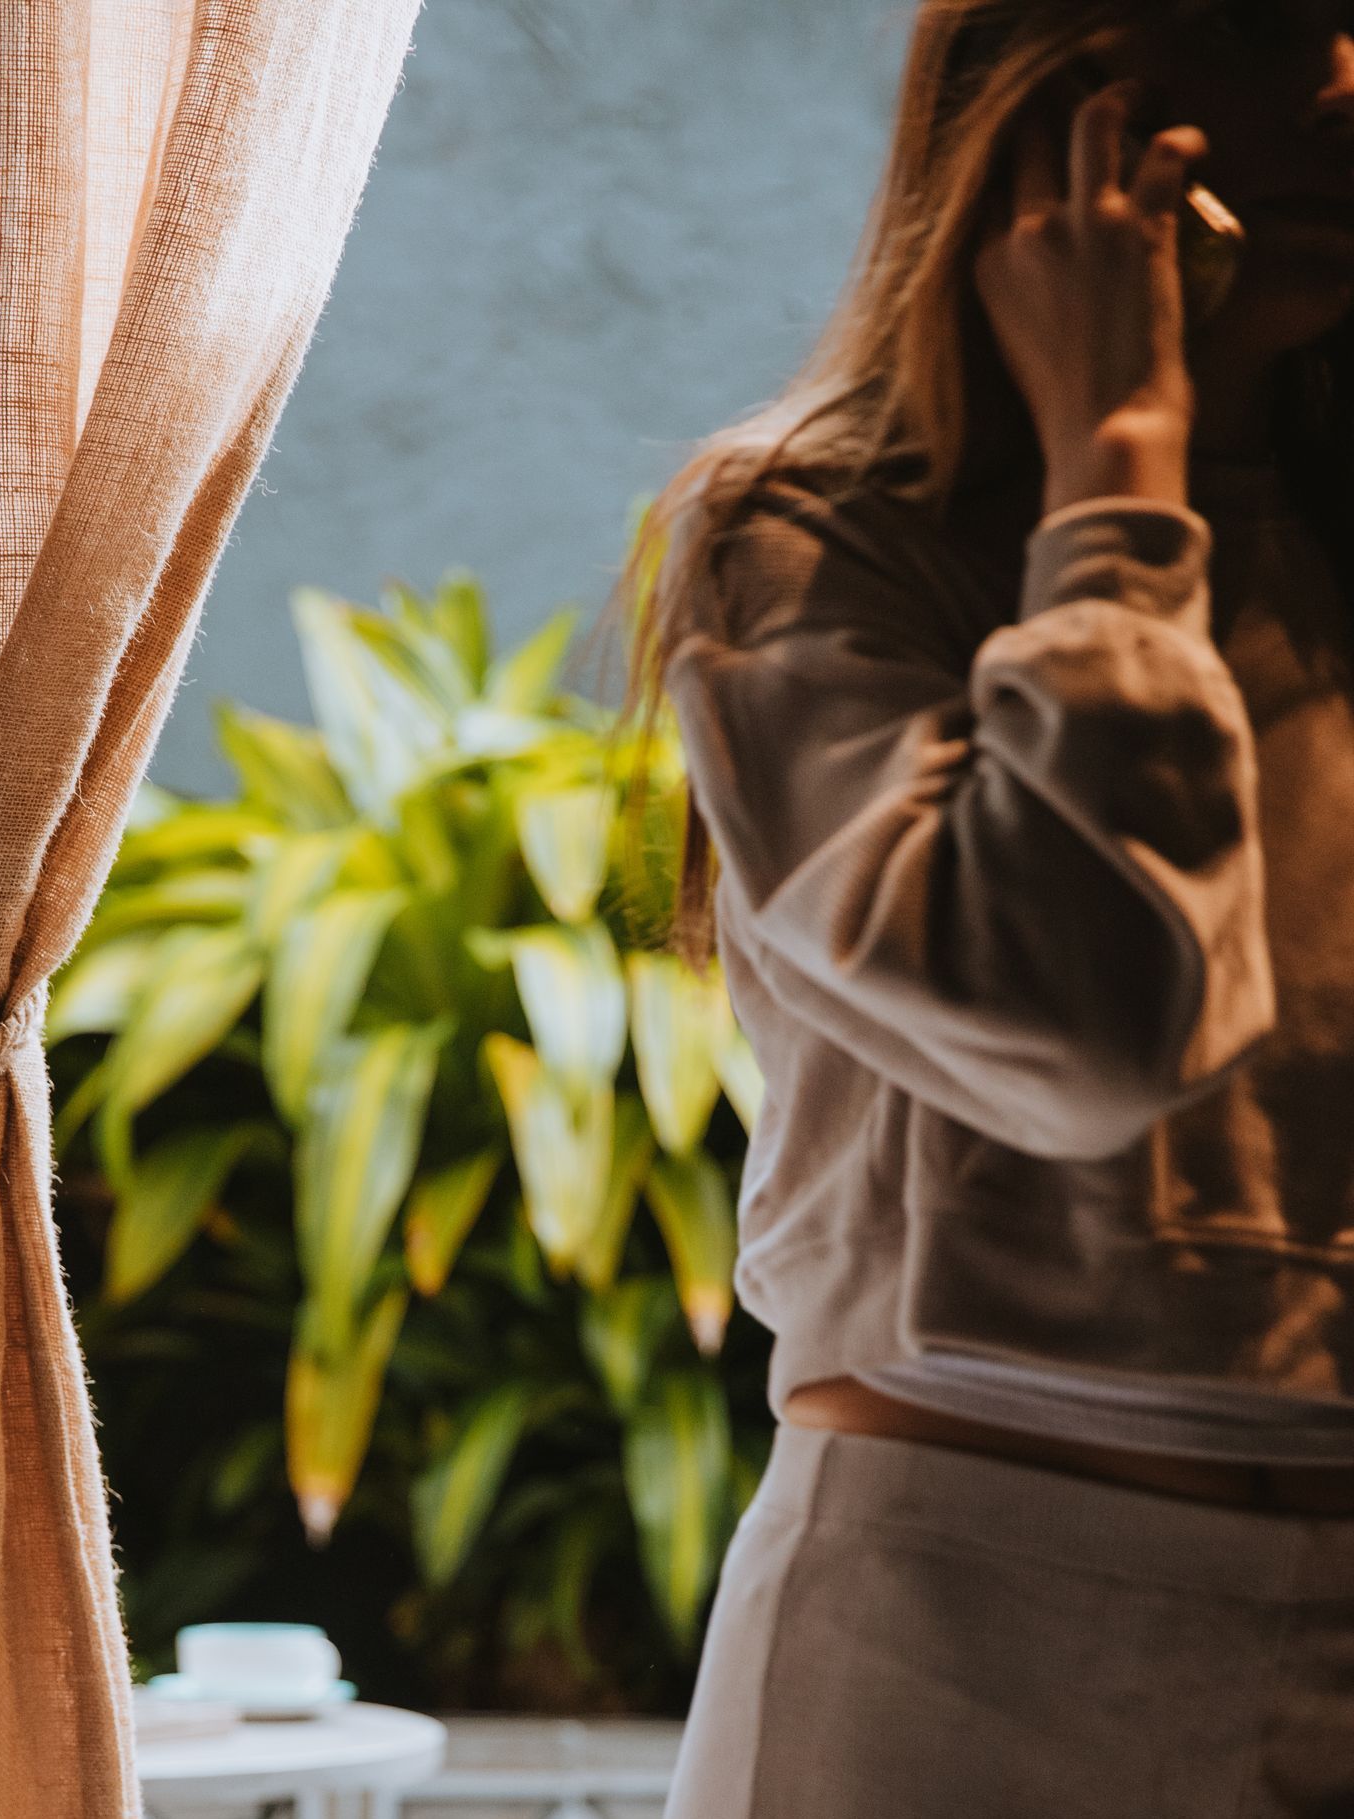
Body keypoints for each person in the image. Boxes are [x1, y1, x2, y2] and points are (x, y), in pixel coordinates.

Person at [620, 3, 1354, 1813]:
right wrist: (1118, 464)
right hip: (961, 1628)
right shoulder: (816, 529)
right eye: (1276, 29)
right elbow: (1088, 1026)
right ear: (1055, 107)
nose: (1346, 85)